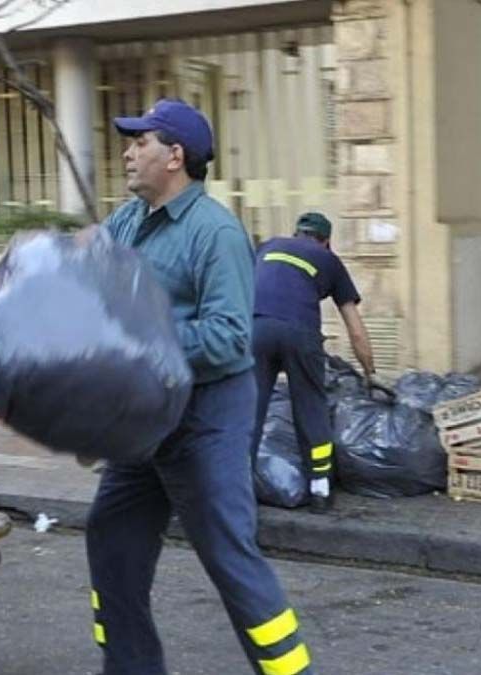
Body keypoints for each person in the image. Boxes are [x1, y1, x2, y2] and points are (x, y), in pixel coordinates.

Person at [87, 98, 313, 675]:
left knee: (230, 559)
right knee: (111, 539)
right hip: (145, 420)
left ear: (176, 156)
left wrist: (142, 339)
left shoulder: (216, 233)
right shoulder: (126, 220)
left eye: (142, 142)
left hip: (205, 419)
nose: (128, 151)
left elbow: (229, 336)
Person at [250, 212, 376, 513]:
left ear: (296, 233)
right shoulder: (329, 260)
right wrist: (370, 373)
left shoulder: (267, 247)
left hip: (255, 329)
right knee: (311, 409)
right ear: (326, 240)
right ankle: (320, 489)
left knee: (248, 410)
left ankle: (236, 489)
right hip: (301, 333)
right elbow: (355, 329)